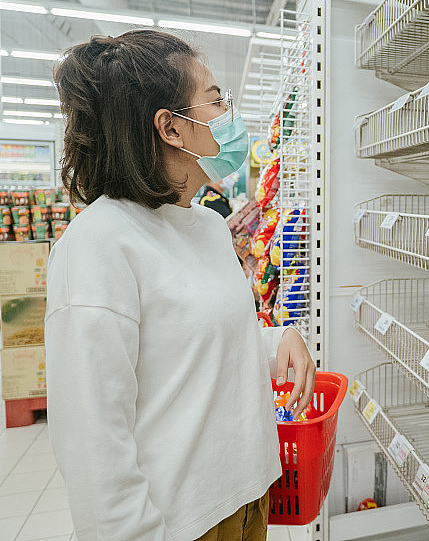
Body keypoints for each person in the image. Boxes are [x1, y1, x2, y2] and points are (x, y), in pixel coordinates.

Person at [44, 30, 316, 541]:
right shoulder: (99, 245)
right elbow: (91, 438)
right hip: (182, 523)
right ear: (170, 128)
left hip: (248, 495)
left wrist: (275, 340)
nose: (230, 113)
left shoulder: (208, 226)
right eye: (216, 100)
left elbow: (192, 345)